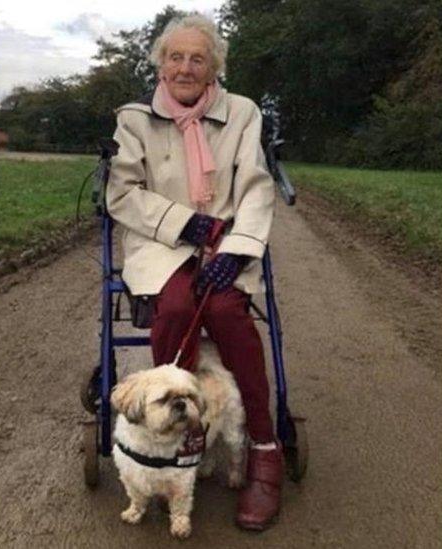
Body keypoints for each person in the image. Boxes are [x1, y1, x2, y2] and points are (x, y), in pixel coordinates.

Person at [105, 13, 281, 531]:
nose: (185, 67)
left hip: (226, 240)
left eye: (197, 58)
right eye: (175, 57)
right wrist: (188, 225)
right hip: (163, 242)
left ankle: (263, 444)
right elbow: (123, 192)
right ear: (160, 63)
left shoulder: (243, 114)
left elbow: (255, 185)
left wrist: (237, 246)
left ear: (214, 68)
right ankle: (175, 426)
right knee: (177, 305)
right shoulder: (133, 119)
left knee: (227, 309)